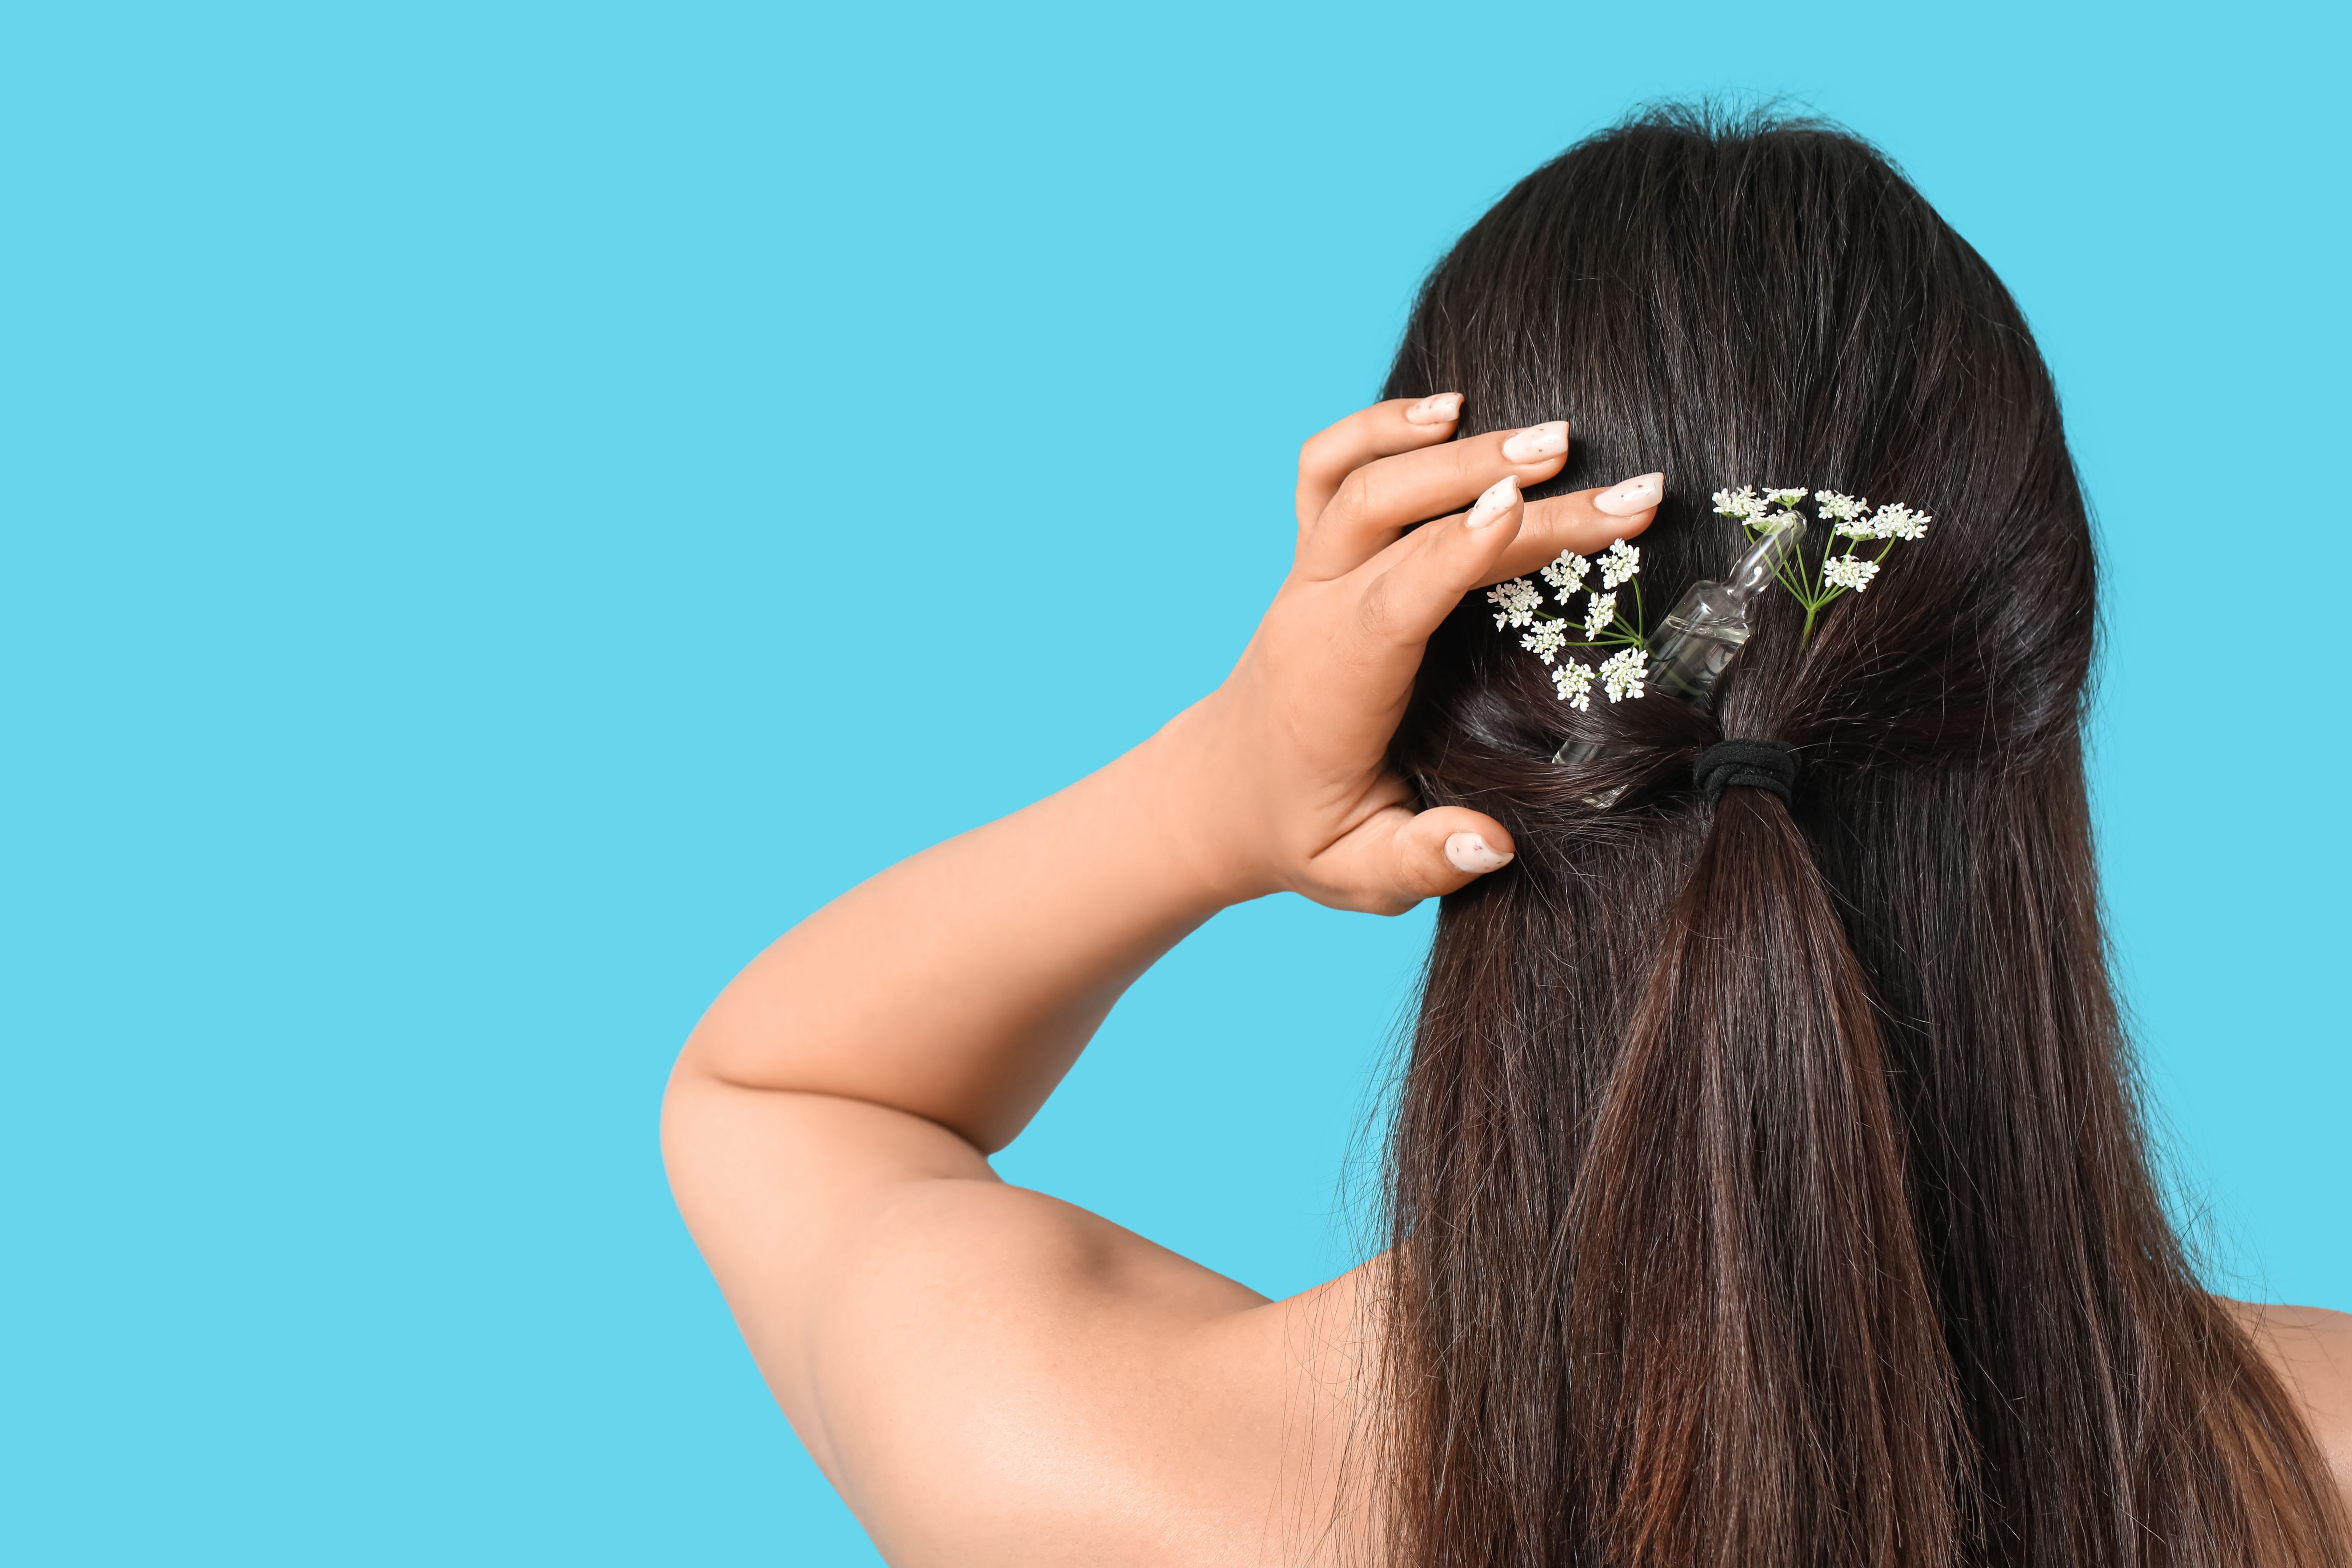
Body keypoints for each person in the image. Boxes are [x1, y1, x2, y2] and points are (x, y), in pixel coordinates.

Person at [662, 107, 2352, 1567]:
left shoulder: (1126, 1477)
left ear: (1442, 723)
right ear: (2030, 705)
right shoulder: (2312, 1474)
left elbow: (781, 1094)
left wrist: (1223, 787)